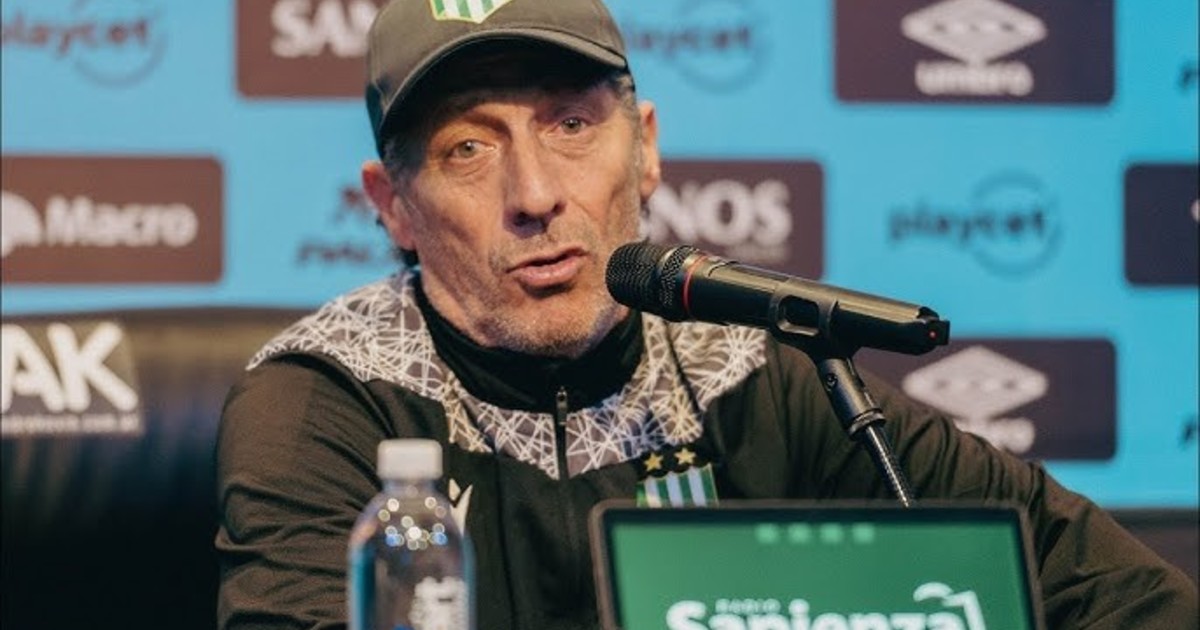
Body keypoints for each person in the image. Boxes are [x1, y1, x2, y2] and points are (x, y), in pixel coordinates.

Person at [214, 0, 1199, 628]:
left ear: (645, 149)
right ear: (393, 206)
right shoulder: (326, 400)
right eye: (468, 149)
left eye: (570, 125)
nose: (536, 194)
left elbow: (1116, 592)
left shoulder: (756, 365)